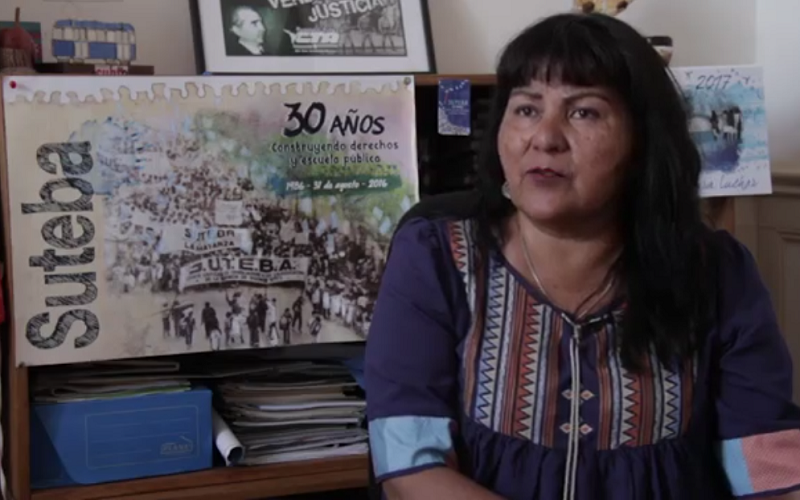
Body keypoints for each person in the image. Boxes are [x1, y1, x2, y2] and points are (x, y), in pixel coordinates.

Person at [365, 12, 800, 500]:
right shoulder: (437, 257)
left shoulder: (717, 272)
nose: (544, 137)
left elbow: (768, 466)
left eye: (584, 112)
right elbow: (409, 465)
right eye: (526, 109)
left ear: (642, 142)